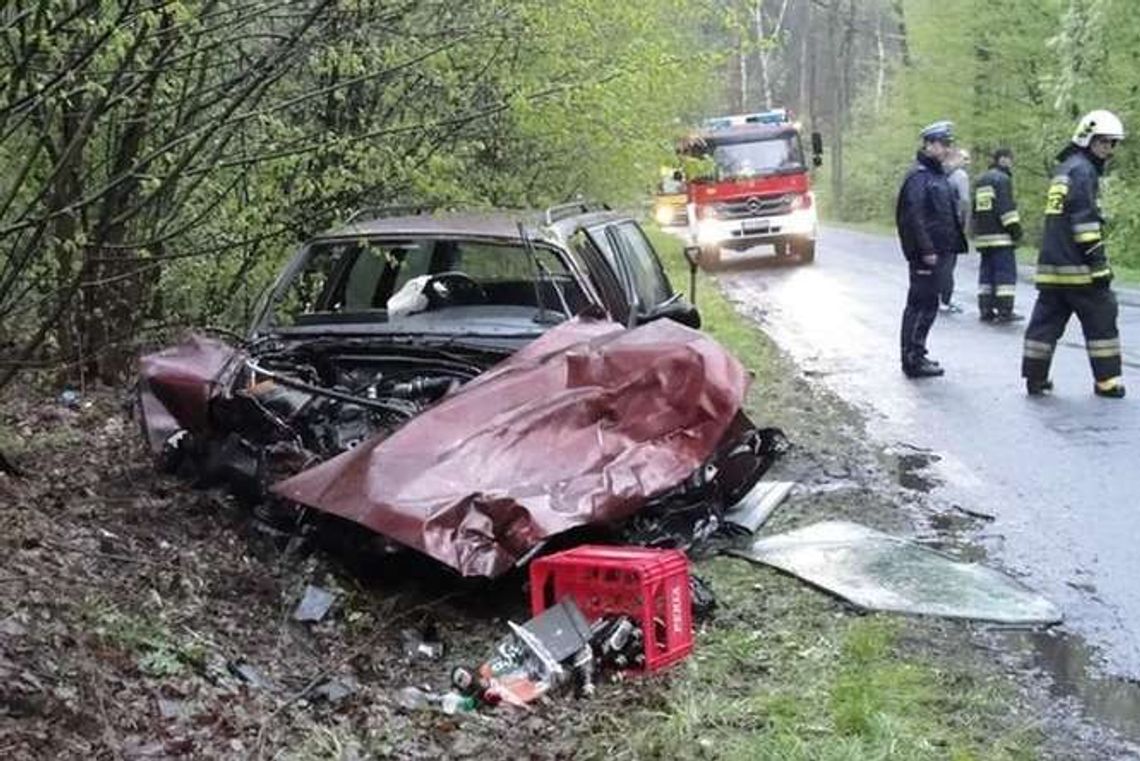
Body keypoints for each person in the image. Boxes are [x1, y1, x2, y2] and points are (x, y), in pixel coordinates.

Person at [1022, 110, 1126, 398]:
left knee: (1044, 324)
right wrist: (1099, 265)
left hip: (1052, 266)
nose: (1110, 149)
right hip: (1078, 269)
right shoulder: (1084, 171)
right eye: (1105, 142)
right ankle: (1107, 382)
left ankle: (1035, 378)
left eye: (1114, 143)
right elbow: (1085, 224)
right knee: (1102, 316)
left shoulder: (1064, 169)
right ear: (1088, 138)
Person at [896, 120, 967, 378]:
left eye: (948, 144)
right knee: (920, 304)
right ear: (928, 144)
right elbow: (914, 217)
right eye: (943, 144)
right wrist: (926, 249)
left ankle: (918, 352)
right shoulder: (918, 177)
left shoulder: (937, 176)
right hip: (926, 254)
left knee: (930, 304)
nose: (947, 149)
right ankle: (912, 359)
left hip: (940, 251)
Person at [971, 148, 1023, 323]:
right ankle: (1005, 311)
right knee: (1005, 276)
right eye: (1009, 159)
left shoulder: (980, 180)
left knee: (986, 275)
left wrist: (975, 231)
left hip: (983, 237)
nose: (1011, 162)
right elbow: (1005, 208)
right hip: (1001, 237)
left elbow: (975, 209)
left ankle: (985, 309)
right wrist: (1015, 230)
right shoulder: (1002, 180)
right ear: (1003, 159)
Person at [941, 148, 971, 313]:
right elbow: (964, 201)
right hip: (952, 226)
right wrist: (963, 225)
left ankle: (937, 298)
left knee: (940, 264)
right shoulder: (960, 176)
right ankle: (945, 300)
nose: (967, 163)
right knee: (948, 265)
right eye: (965, 159)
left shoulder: (942, 174)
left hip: (938, 225)